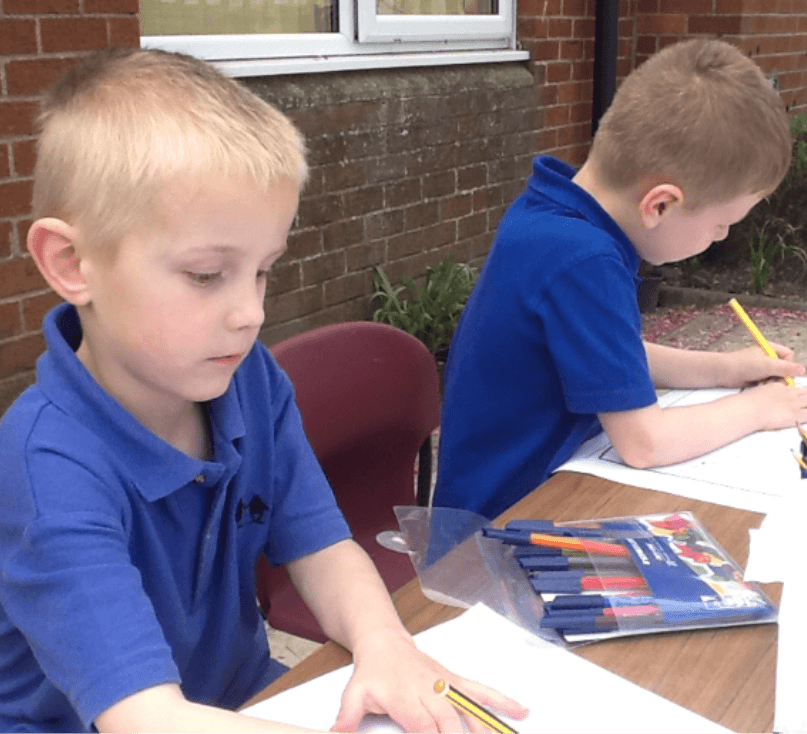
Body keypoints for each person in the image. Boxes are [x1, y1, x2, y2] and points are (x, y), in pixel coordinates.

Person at [0, 47, 528, 733]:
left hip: (245, 703)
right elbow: (145, 719)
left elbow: (319, 545)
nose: (250, 312)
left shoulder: (244, 377)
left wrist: (387, 646)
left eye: (262, 271)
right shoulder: (47, 468)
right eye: (205, 274)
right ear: (73, 264)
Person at [433, 38, 807, 520]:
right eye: (723, 225)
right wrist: (760, 411)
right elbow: (644, 442)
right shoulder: (584, 259)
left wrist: (724, 369)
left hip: (522, 494)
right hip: (506, 525)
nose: (721, 237)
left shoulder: (550, 210)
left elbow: (607, 356)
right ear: (661, 204)